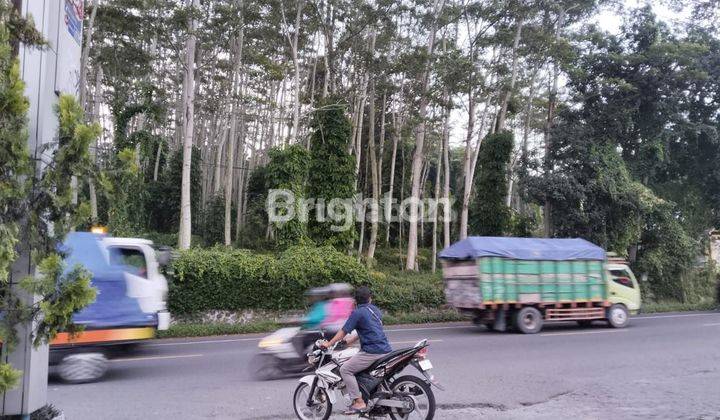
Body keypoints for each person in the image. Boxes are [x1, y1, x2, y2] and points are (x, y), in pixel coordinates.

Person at [321, 286, 392, 414]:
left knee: (345, 369)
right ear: (369, 299)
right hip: (386, 349)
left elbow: (343, 331)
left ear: (355, 301)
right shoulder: (375, 311)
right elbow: (369, 329)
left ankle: (359, 402)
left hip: (372, 352)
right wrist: (350, 341)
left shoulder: (357, 313)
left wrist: (329, 343)